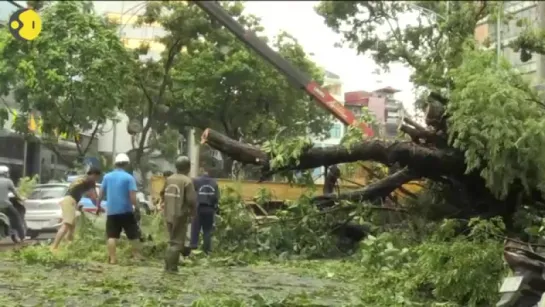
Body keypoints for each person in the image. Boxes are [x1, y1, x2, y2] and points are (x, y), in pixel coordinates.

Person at [97, 153, 142, 264]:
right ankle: (136, 255)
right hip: (126, 211)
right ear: (126, 164)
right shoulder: (129, 178)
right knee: (133, 234)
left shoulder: (107, 177)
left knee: (112, 236)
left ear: (115, 164)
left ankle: (112, 259)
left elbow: (101, 193)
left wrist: (98, 206)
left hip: (112, 211)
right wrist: (136, 207)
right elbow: (132, 196)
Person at [50, 166, 101, 252]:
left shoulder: (81, 178)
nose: (97, 179)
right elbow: (93, 197)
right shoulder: (90, 181)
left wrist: (77, 204)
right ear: (93, 175)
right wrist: (99, 207)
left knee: (72, 227)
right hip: (70, 202)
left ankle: (68, 247)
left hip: (68, 200)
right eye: (97, 177)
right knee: (66, 225)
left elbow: (74, 191)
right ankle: (54, 247)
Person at [163, 156, 197, 273]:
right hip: (180, 215)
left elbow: (163, 194)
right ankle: (172, 268)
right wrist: (193, 213)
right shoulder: (187, 181)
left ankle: (167, 266)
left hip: (168, 214)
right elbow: (191, 200)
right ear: (188, 168)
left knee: (172, 241)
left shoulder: (169, 179)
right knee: (177, 243)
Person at [190, 167, 220, 255]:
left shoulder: (196, 181)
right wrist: (214, 207)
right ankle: (207, 251)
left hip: (198, 208)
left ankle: (193, 248)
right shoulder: (214, 183)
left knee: (195, 229)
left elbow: (192, 193)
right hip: (209, 209)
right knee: (207, 230)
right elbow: (216, 198)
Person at [0, 165, 25, 242]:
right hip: (5, 205)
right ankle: (22, 236)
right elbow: (16, 193)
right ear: (5, 173)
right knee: (16, 218)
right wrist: (22, 198)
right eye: (7, 173)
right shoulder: (8, 181)